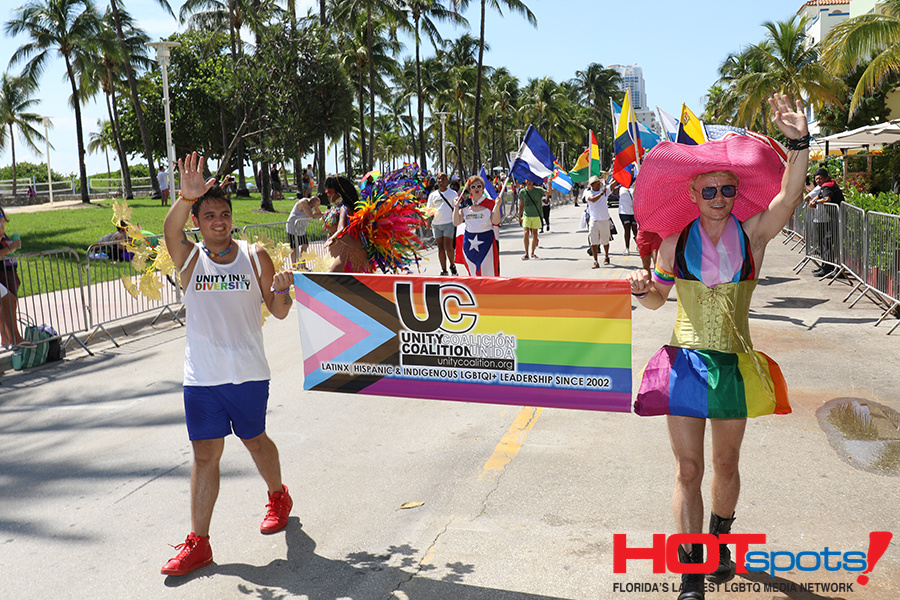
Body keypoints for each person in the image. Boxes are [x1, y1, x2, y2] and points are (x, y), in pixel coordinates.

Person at [626, 94, 808, 600]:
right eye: (711, 190)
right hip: (684, 362)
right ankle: (691, 572)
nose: (721, 196)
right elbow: (659, 301)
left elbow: (788, 200)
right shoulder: (671, 244)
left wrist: (799, 143)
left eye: (728, 188)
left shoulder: (752, 237)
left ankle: (720, 537)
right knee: (688, 469)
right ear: (693, 191)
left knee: (726, 465)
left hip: (733, 363)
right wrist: (643, 291)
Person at [160, 152, 295, 577]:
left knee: (255, 441)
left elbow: (279, 311)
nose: (219, 220)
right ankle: (199, 543)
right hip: (202, 377)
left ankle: (278, 495)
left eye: (225, 213)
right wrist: (186, 196)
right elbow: (170, 228)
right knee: (204, 456)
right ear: (198, 222)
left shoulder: (255, 257)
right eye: (210, 215)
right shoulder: (189, 258)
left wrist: (283, 291)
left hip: (248, 373)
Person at [452, 175, 502, 276]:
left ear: (483, 189)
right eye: (473, 187)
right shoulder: (465, 204)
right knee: (473, 273)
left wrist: (497, 207)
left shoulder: (491, 203)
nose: (476, 189)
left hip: (487, 243)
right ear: (469, 190)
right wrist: (456, 207)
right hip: (470, 244)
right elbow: (456, 222)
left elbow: (495, 221)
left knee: (488, 272)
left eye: (479, 186)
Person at [322, 175, 368, 273]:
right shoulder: (340, 207)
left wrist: (332, 238)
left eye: (329, 192)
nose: (327, 195)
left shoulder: (345, 208)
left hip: (348, 255)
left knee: (331, 282)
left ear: (338, 192)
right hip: (344, 253)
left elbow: (342, 228)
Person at [0, 206, 27, 348]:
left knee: (8, 305)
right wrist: (10, 248)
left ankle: (8, 339)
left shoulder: (3, 236)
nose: (2, 226)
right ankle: (13, 338)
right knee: (8, 304)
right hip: (3, 274)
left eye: (3, 222)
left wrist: (13, 247)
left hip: (10, 272)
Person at [810, 167, 843, 277]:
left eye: (820, 178)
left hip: (835, 219)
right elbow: (821, 195)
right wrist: (814, 200)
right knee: (826, 243)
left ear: (825, 178)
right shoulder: (829, 184)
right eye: (816, 179)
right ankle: (825, 267)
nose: (818, 181)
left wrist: (815, 202)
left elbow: (827, 199)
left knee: (827, 244)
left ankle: (828, 269)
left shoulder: (827, 186)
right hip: (835, 219)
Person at [427, 173, 458, 276]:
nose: (441, 181)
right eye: (439, 179)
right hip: (436, 224)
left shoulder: (453, 193)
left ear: (447, 180)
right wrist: (428, 221)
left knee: (448, 247)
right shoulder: (433, 195)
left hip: (448, 223)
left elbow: (456, 208)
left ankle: (452, 265)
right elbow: (429, 210)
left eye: (444, 179)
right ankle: (444, 270)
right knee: (440, 248)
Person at [287, 192, 325, 269]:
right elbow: (311, 215)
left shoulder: (313, 205)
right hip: (293, 226)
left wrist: (322, 213)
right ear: (313, 204)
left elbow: (318, 213)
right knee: (294, 248)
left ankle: (302, 265)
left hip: (301, 228)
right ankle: (294, 266)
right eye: (317, 205)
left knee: (305, 245)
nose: (317, 207)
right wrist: (323, 214)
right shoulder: (303, 202)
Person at [582, 176, 612, 267]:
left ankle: (606, 256)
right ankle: (595, 261)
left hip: (604, 220)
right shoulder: (588, 193)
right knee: (594, 242)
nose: (599, 185)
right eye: (596, 183)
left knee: (605, 241)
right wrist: (602, 193)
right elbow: (593, 199)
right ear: (592, 185)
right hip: (594, 220)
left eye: (599, 183)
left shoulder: (604, 191)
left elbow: (614, 185)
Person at [517, 179, 545, 260]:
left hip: (536, 215)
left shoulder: (538, 190)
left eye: (530, 180)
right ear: (525, 181)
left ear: (533, 181)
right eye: (527, 180)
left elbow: (549, 193)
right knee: (526, 232)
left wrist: (549, 184)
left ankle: (532, 253)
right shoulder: (522, 191)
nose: (528, 182)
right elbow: (521, 205)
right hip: (526, 215)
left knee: (535, 234)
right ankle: (526, 253)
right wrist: (519, 216)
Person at [613, 182, 637, 255]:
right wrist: (617, 183)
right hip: (624, 211)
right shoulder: (620, 187)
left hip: (634, 211)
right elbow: (613, 192)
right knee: (627, 229)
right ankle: (627, 248)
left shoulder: (634, 184)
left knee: (635, 229)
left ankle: (638, 244)